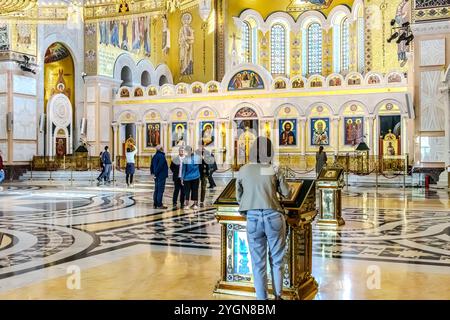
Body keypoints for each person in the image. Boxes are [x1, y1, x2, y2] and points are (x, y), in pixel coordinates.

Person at [235, 136, 291, 300]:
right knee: (277, 259)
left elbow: (239, 196)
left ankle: (262, 300)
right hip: (273, 216)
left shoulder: (244, 169)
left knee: (258, 263)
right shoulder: (271, 168)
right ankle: (278, 296)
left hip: (252, 218)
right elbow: (286, 193)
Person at [181, 146, 201, 210]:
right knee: (195, 190)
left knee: (187, 191)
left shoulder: (185, 159)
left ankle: (187, 205)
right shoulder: (197, 158)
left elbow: (184, 170)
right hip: (196, 177)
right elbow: (200, 167)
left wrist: (182, 178)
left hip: (187, 178)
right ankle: (195, 205)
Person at [150, 145, 168, 209]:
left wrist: (153, 173)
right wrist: (156, 173)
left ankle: (155, 204)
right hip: (161, 175)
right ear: (161, 149)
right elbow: (160, 166)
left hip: (156, 175)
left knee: (156, 190)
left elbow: (151, 166)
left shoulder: (154, 156)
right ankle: (159, 204)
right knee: (160, 190)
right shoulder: (162, 156)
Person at [196, 142, 212, 208]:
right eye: (199, 145)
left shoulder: (207, 152)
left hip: (204, 172)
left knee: (203, 187)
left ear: (203, 145)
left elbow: (209, 161)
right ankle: (195, 201)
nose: (200, 146)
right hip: (197, 172)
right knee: (195, 187)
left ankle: (202, 201)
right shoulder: (196, 152)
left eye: (201, 145)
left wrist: (203, 159)